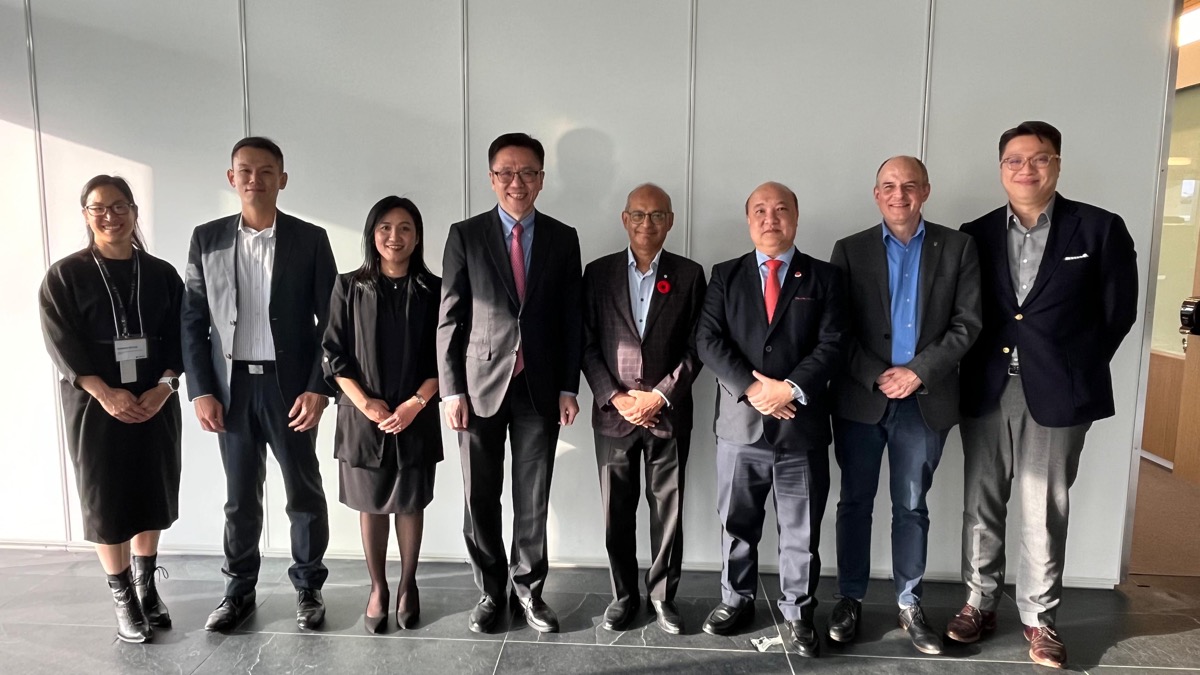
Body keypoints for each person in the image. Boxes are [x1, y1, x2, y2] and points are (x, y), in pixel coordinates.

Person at [949, 121, 1138, 669]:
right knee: (981, 503)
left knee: (1043, 507)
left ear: (1057, 164)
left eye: (1040, 159)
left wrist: (1071, 365)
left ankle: (1038, 617)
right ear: (1001, 167)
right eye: (1015, 160)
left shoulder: (1100, 229)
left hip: (1059, 391)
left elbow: (1117, 313)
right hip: (987, 386)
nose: (1026, 169)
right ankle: (977, 603)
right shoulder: (975, 233)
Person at [827, 156, 982, 655]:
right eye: (889, 186)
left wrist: (918, 371)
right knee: (854, 502)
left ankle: (909, 601)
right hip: (861, 398)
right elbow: (837, 331)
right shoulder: (849, 251)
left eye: (909, 186)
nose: (899, 194)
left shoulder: (958, 247)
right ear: (876, 194)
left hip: (925, 400)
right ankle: (849, 596)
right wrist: (878, 374)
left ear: (926, 191)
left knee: (910, 506)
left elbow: (967, 325)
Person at [182, 137, 337, 632]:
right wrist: (201, 389)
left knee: (303, 491)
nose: (255, 179)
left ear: (282, 179)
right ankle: (237, 592)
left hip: (288, 387)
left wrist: (319, 387)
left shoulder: (310, 240)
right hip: (232, 390)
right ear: (232, 179)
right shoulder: (207, 239)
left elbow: (332, 322)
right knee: (239, 497)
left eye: (266, 171)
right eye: (245, 171)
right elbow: (193, 320)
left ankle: (308, 588)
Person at [437, 132, 583, 634]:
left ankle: (530, 590)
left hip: (539, 386)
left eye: (527, 173)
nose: (516, 183)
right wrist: (451, 391)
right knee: (479, 493)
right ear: (491, 177)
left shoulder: (564, 238)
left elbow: (571, 319)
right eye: (506, 172)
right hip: (478, 387)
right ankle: (489, 590)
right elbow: (450, 318)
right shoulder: (465, 234)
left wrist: (569, 386)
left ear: (541, 179)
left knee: (532, 494)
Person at [695, 182, 848, 657]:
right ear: (748, 220)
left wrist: (790, 389)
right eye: (759, 210)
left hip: (799, 426)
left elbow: (834, 343)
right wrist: (757, 389)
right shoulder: (726, 275)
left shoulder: (824, 278)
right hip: (740, 427)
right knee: (737, 521)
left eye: (781, 209)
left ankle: (798, 612)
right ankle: (735, 599)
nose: (770, 218)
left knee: (800, 528)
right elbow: (709, 341)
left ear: (796, 218)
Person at [39, 175, 183, 643]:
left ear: (134, 211)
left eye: (120, 206)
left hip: (153, 400)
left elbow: (182, 339)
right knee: (107, 499)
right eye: (99, 208)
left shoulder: (161, 274)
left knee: (150, 492)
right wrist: (105, 393)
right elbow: (61, 344)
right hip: (94, 408)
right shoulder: (65, 275)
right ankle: (122, 599)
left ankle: (146, 589)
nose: (110, 216)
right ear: (86, 215)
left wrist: (164, 388)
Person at [581, 183, 706, 635]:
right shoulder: (597, 274)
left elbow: (697, 347)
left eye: (657, 215)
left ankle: (661, 597)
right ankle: (623, 595)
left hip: (667, 414)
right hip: (614, 415)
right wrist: (615, 396)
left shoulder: (691, 275)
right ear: (624, 219)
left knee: (667, 510)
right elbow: (586, 342)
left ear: (670, 221)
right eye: (638, 214)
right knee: (617, 510)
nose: (647, 223)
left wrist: (660, 395)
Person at [323, 196, 442, 633]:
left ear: (417, 235)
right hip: (361, 417)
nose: (395, 237)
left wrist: (415, 404)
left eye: (405, 228)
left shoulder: (435, 289)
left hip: (417, 412)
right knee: (370, 505)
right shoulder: (349, 286)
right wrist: (366, 404)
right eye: (385, 228)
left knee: (410, 503)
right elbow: (332, 356)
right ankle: (378, 587)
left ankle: (408, 586)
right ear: (373, 234)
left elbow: (445, 360)